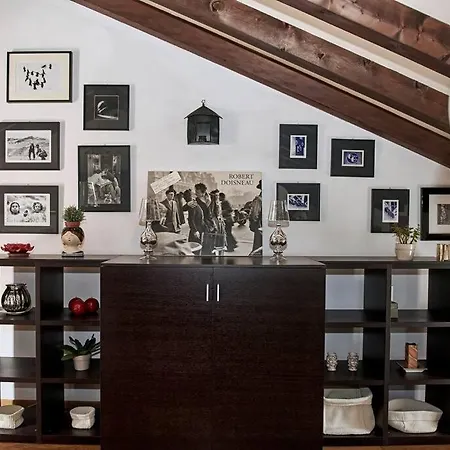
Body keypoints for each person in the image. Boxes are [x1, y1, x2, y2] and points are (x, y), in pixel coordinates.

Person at [194, 183, 217, 255]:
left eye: (197, 192)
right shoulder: (196, 201)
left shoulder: (211, 198)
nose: (195, 193)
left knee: (210, 243)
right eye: (195, 191)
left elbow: (214, 211)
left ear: (203, 192)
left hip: (210, 223)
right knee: (203, 244)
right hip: (201, 224)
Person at [249, 180, 262, 255]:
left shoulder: (258, 199)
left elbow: (254, 214)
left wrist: (253, 223)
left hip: (260, 224)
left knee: (258, 244)